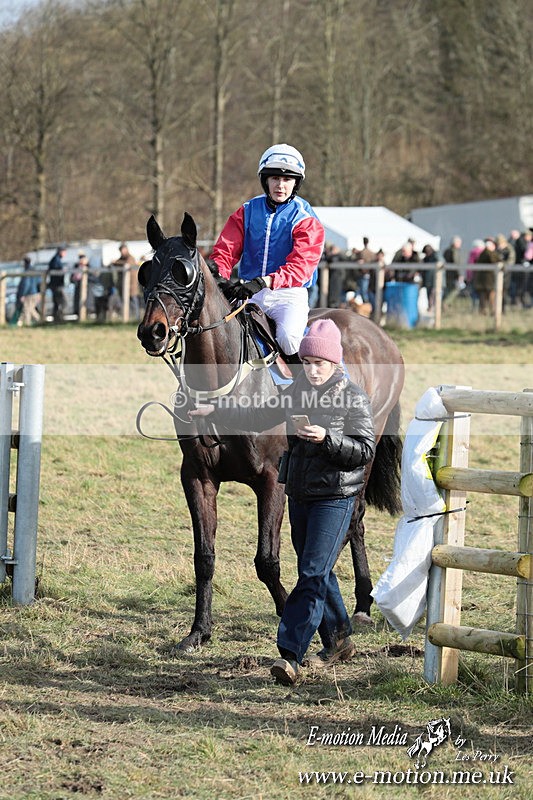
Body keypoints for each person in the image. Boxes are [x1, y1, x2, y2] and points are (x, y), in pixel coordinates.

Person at [189, 319, 376, 686]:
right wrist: (216, 413)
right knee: (318, 570)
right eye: (307, 363)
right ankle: (339, 639)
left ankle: (290, 653)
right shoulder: (295, 392)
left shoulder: (353, 397)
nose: (312, 369)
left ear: (335, 363)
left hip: (336, 498)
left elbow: (365, 450)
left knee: (310, 574)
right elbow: (259, 414)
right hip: (301, 494)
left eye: (319, 363)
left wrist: (327, 439)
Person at [208, 144, 325, 362]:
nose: (280, 185)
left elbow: (301, 267)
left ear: (296, 183)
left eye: (287, 180)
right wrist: (220, 278)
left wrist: (265, 282)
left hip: (289, 294)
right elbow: (225, 251)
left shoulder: (305, 217)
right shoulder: (247, 210)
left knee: (289, 339)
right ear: (265, 181)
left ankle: (307, 382)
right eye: (274, 179)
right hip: (249, 291)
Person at [16, 256, 41, 326]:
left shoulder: (27, 272)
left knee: (26, 309)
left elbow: (26, 284)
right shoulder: (35, 270)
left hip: (29, 294)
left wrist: (22, 294)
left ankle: (28, 324)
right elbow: (40, 282)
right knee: (31, 309)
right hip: (36, 293)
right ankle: (40, 321)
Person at [47, 245, 68, 323]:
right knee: (63, 302)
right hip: (57, 285)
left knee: (57, 303)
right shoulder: (56, 260)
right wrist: (63, 270)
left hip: (55, 285)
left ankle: (57, 319)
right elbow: (57, 270)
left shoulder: (55, 259)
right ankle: (59, 318)